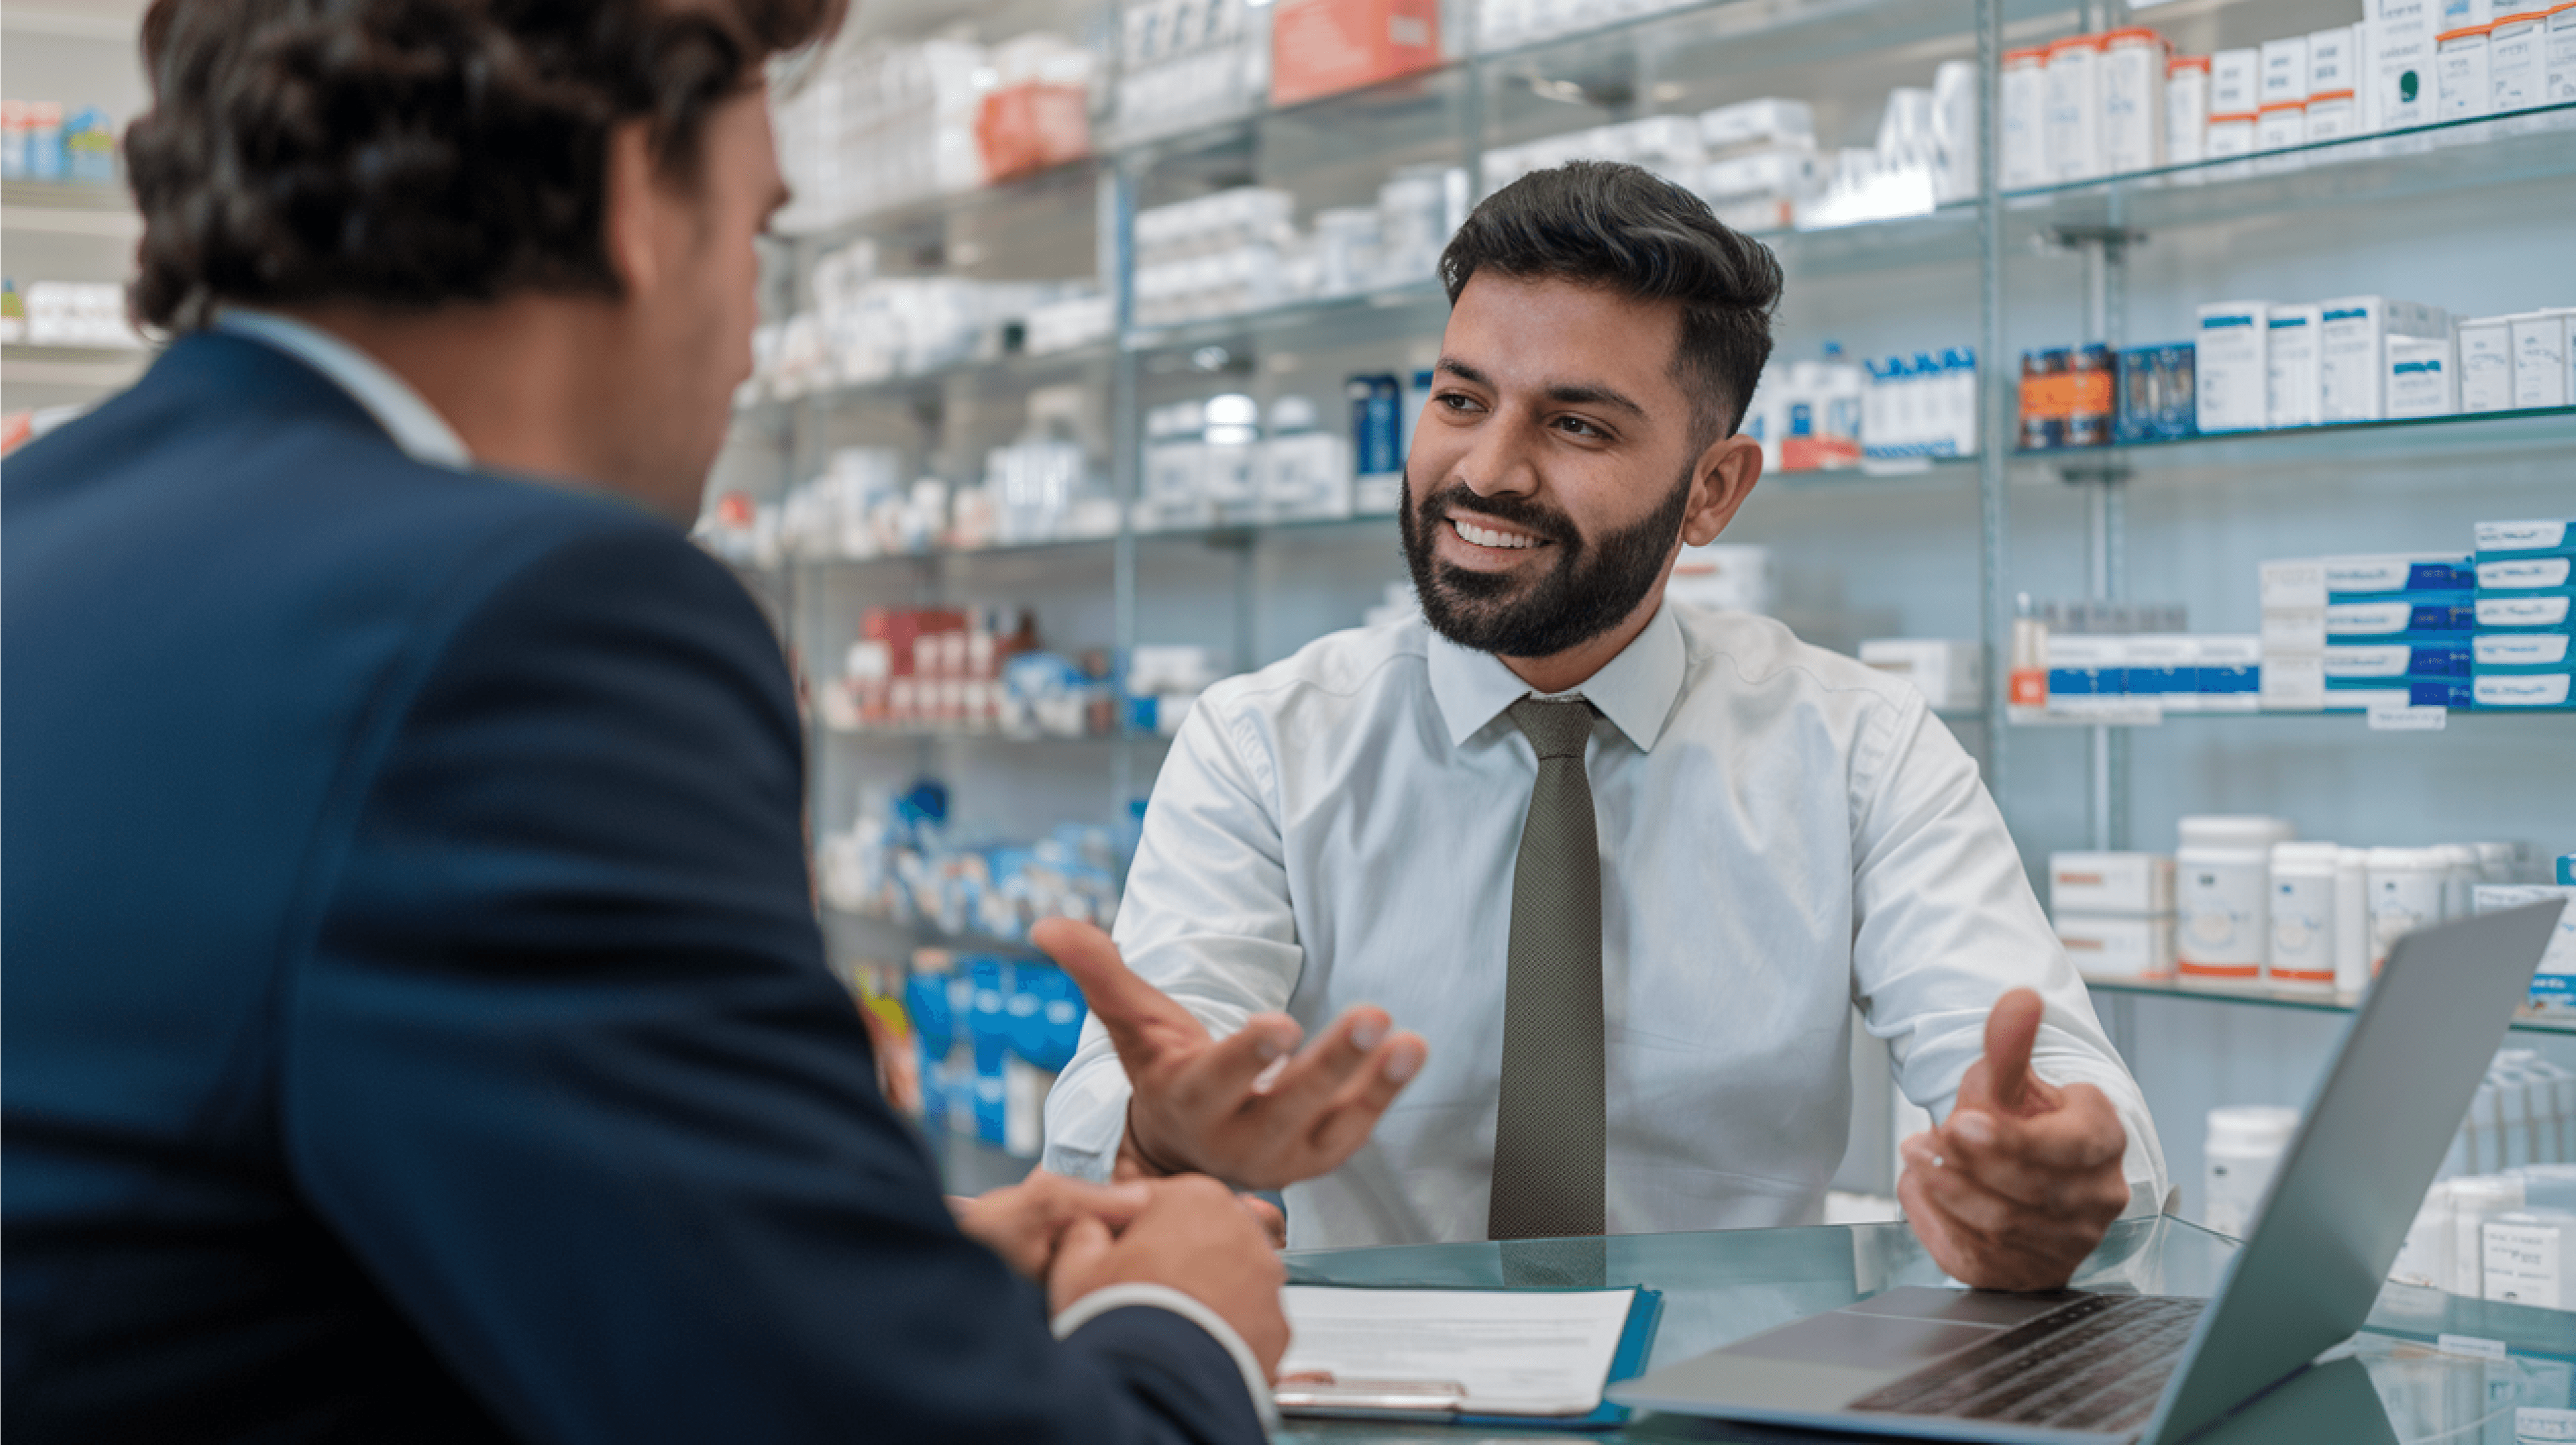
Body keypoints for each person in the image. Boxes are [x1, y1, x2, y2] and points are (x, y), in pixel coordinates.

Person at [0, 2, 1286, 1440]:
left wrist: (843, 1275)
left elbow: (236, 1202)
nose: (749, 336)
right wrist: (1176, 1330)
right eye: (755, 233)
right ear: (633, 198)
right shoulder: (529, 617)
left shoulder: (40, 532)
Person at [1042, 161, 2169, 1290]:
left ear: (1713, 491)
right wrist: (1160, 1134)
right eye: (1459, 399)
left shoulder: (1859, 750)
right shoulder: (1265, 745)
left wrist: (2055, 1172)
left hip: (1729, 1390)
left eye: (1576, 425)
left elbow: (2059, 1093)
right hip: (1371, 1390)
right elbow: (1133, 1093)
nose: (1486, 472)